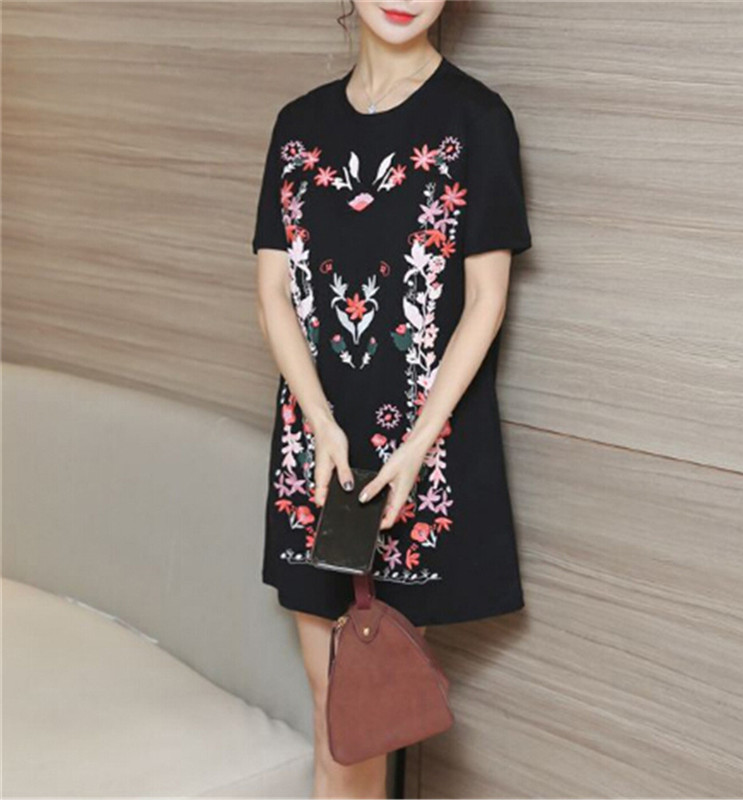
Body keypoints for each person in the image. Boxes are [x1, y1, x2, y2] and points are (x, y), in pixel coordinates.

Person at [251, 2, 532, 796]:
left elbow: (486, 301)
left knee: (366, 715)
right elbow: (273, 293)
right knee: (332, 709)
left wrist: (418, 443)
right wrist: (318, 421)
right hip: (316, 456)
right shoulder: (297, 127)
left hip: (419, 460)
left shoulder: (476, 121)